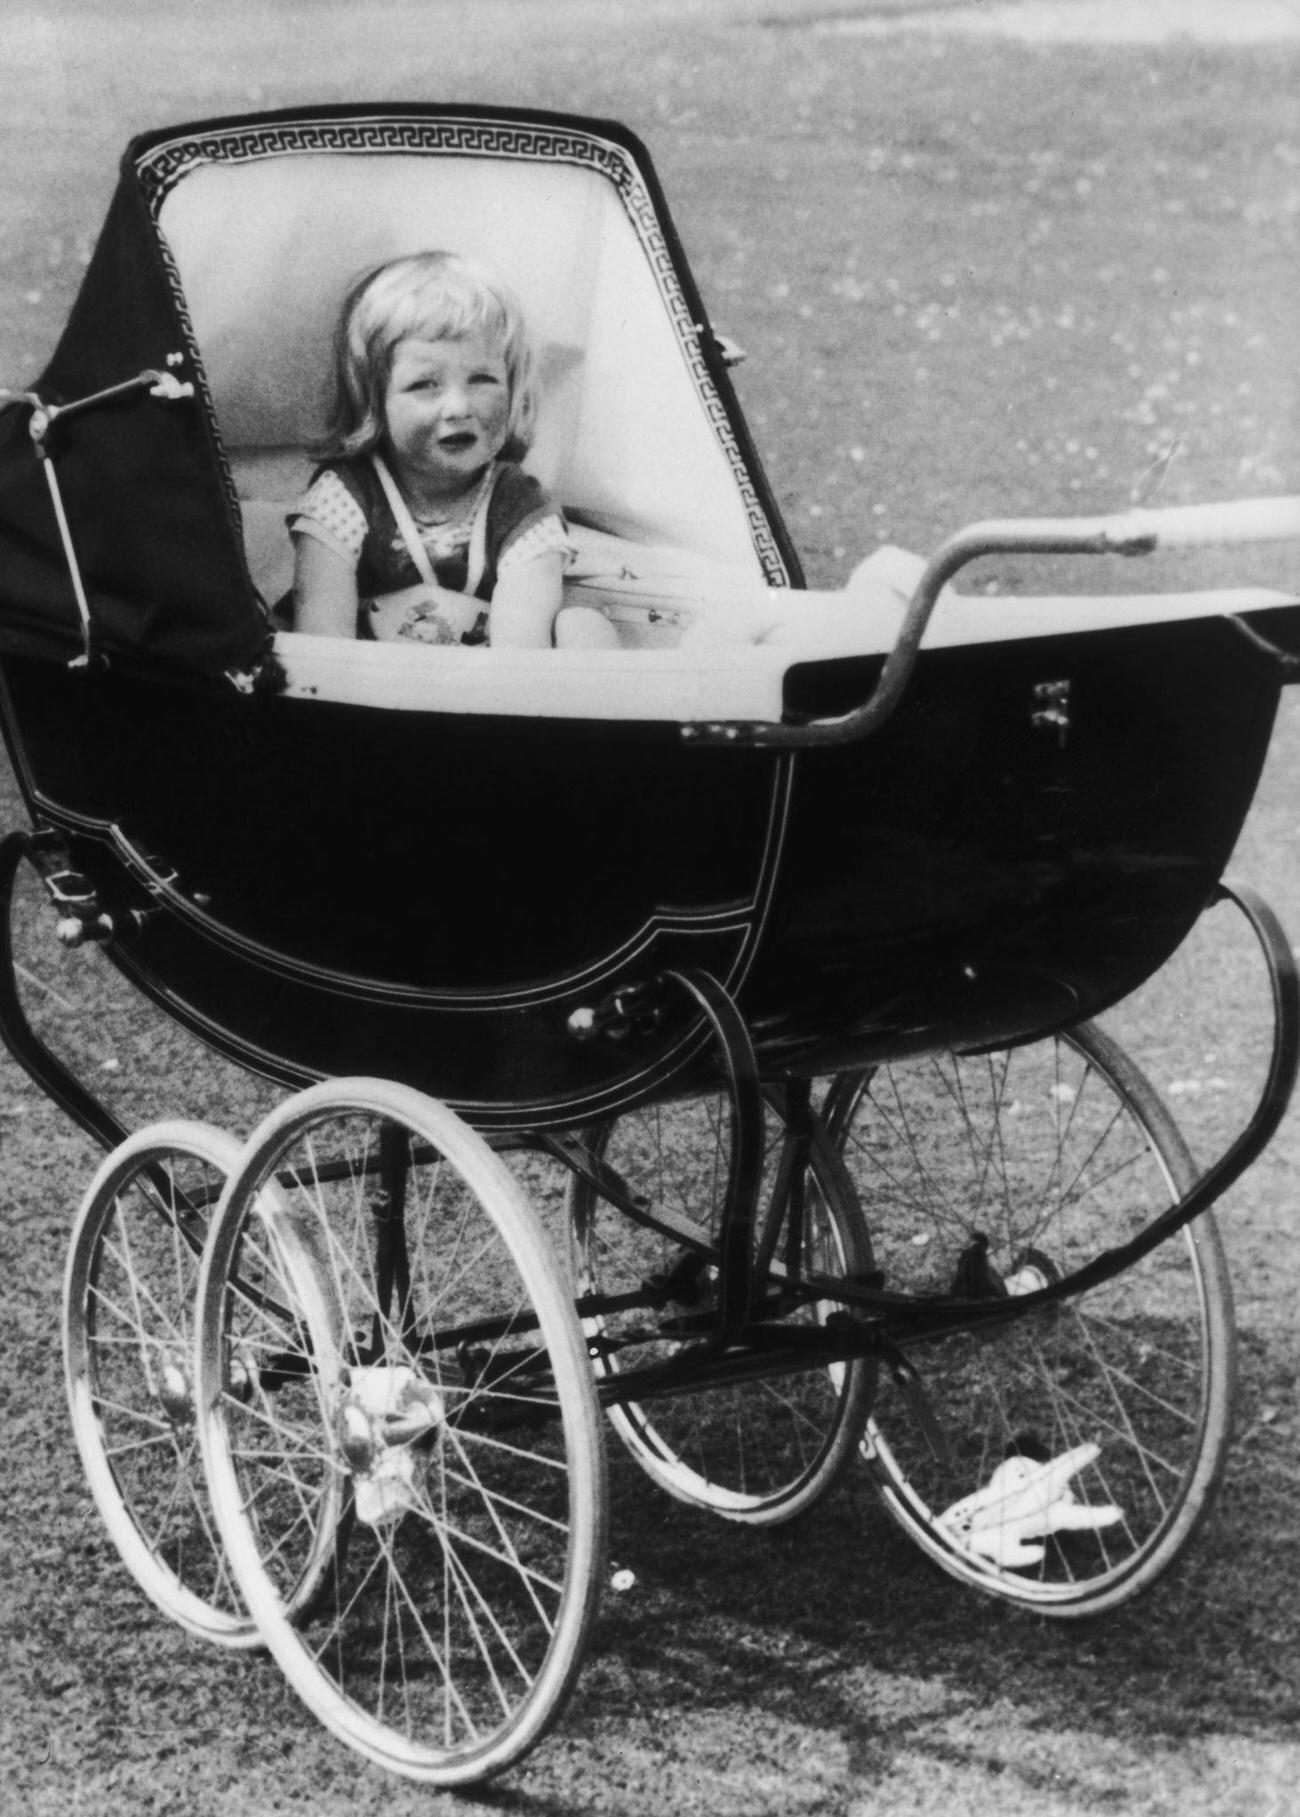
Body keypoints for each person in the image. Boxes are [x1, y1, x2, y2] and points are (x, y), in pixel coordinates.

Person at [290, 250, 615, 648]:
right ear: (373, 401)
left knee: (583, 628)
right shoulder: (346, 496)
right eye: (425, 384)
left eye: (482, 379)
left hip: (479, 696)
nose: (459, 407)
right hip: (367, 692)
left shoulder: (520, 507)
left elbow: (520, 658)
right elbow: (322, 643)